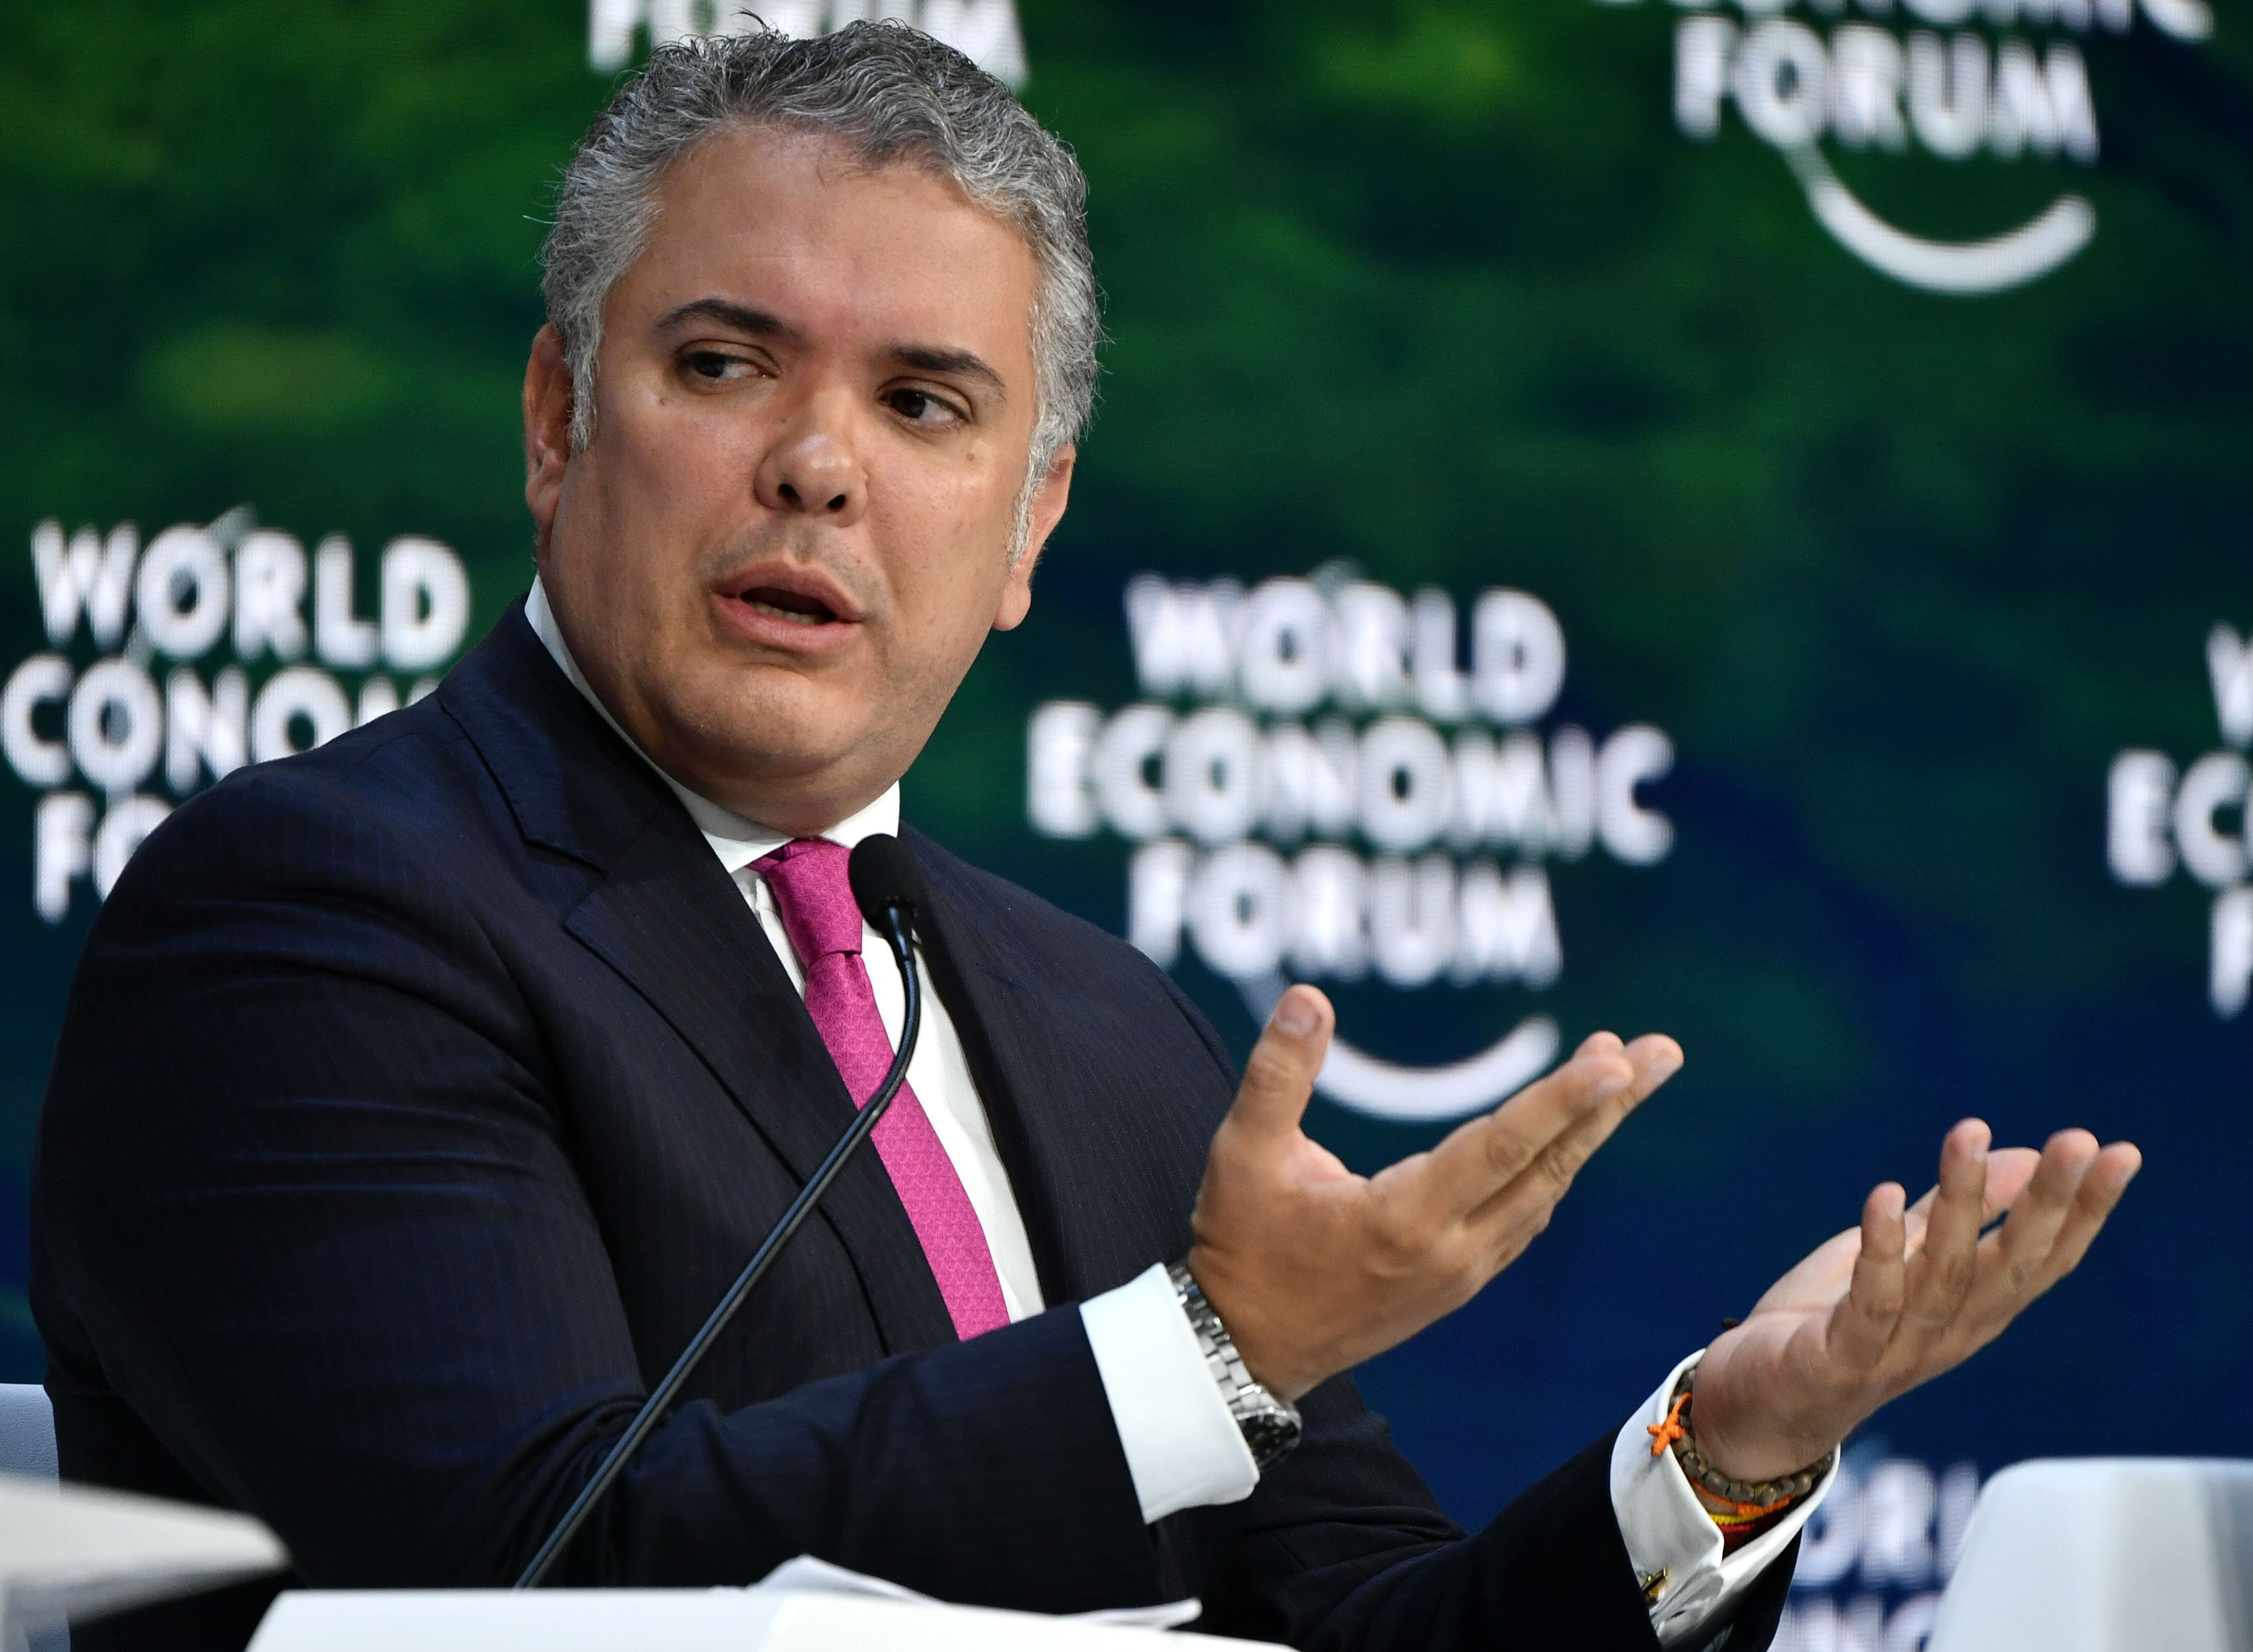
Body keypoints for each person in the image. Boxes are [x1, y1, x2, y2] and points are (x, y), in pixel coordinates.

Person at [29, 24, 2139, 1652]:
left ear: (1030, 527)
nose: (815, 467)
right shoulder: (313, 919)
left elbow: (1371, 1632)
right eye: (722, 361)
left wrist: (1718, 1451)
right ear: (558, 420)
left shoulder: (1085, 1011)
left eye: (926, 405)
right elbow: (531, 1578)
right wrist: (1202, 1354)